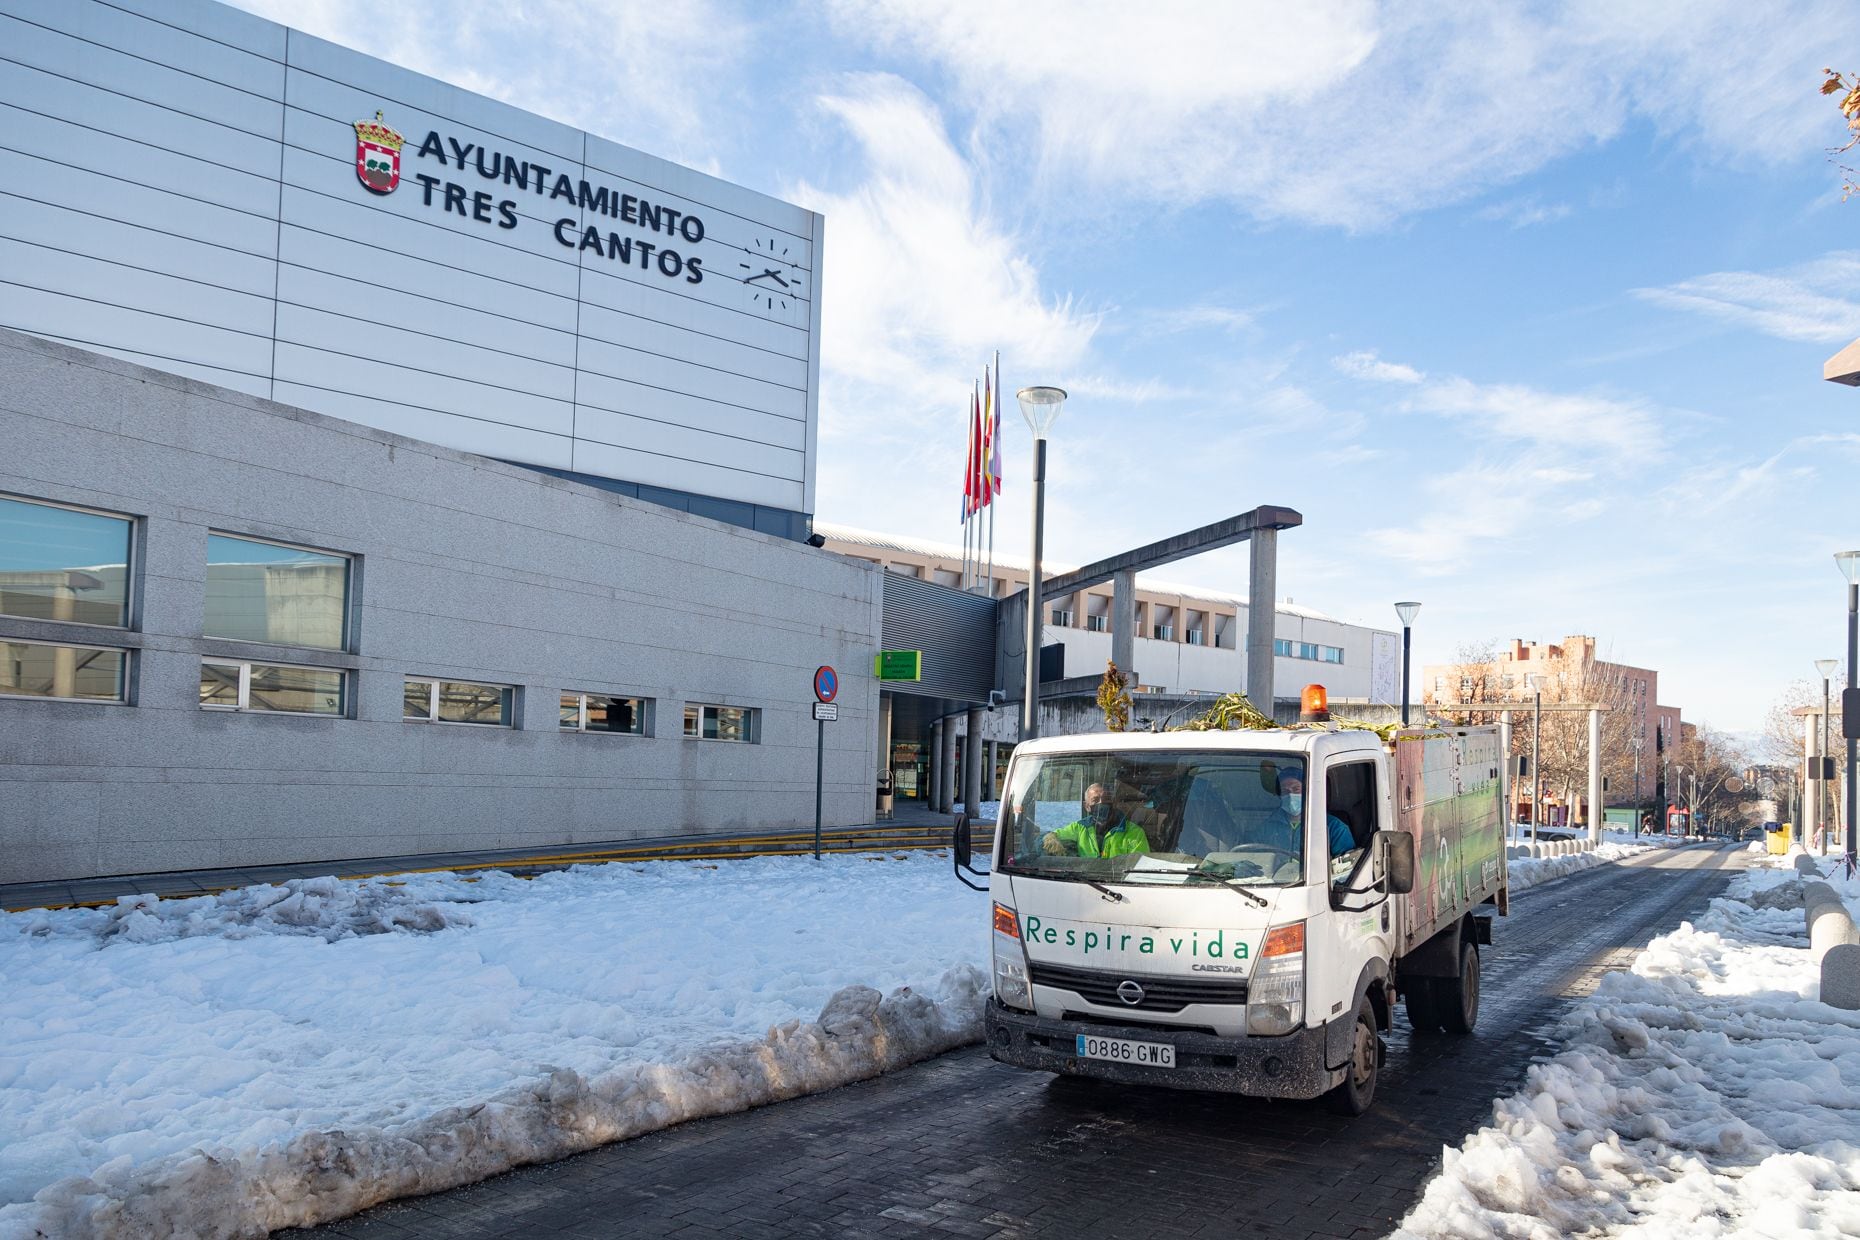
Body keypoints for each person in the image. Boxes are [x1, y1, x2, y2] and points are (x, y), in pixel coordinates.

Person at [1231, 769, 1355, 860]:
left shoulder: (1333, 827)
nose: (1290, 795)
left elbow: (1345, 866)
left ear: (1307, 791)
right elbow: (1249, 855)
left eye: (1296, 789)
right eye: (1285, 790)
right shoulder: (1266, 827)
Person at [1042, 782, 1151, 858]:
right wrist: (1051, 840)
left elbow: (1139, 867)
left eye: (1106, 799)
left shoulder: (1134, 832)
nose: (1101, 803)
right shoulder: (1080, 827)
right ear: (1087, 806)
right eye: (1095, 800)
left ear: (1114, 803)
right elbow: (1051, 836)